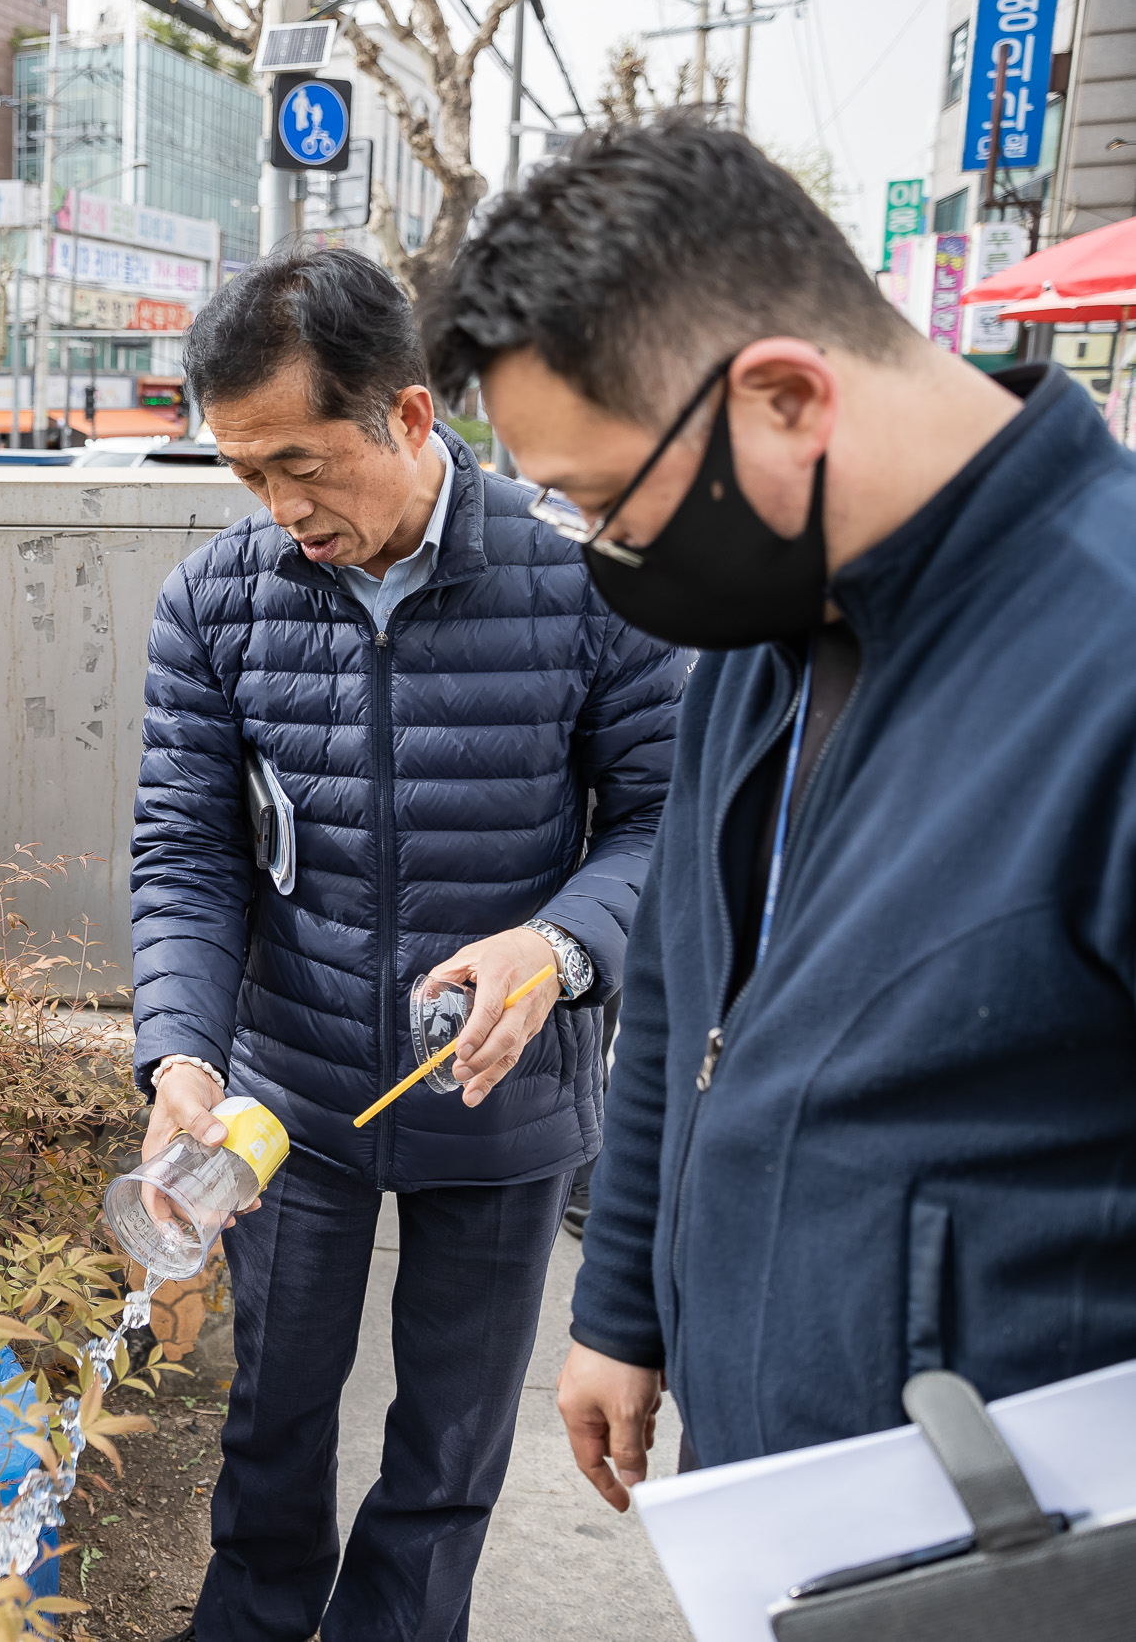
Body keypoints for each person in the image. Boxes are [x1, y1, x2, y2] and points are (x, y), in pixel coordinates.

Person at [421, 114, 1136, 1506]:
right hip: (779, 1507)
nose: (608, 557)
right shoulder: (768, 631)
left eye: (606, 504)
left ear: (787, 399)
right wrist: (623, 1301)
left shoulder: (1107, 661)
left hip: (1008, 1552)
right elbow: (689, 991)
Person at [131, 245, 686, 1640]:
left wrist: (558, 948)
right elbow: (188, 856)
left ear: (412, 417)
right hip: (292, 1099)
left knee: (445, 1457)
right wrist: (182, 1059)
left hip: (504, 1103)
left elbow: (670, 828)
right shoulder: (217, 604)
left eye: (304, 465)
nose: (280, 508)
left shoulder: (587, 589)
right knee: (271, 1427)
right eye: (247, 475)